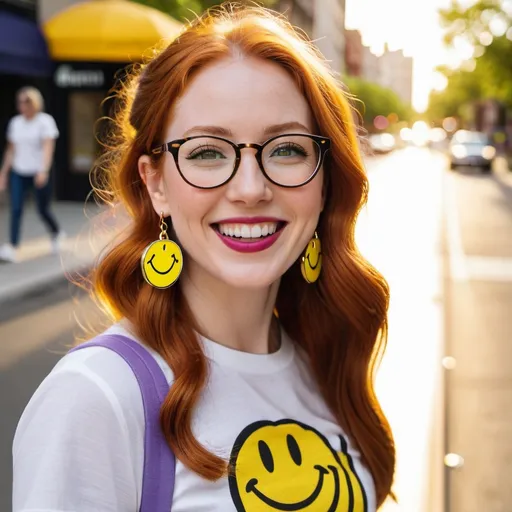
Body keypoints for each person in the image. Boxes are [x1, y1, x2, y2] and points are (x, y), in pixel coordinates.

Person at [13, 5, 396, 511]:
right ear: (156, 186)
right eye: (207, 152)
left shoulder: (327, 364)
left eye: (285, 149)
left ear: (325, 181)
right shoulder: (95, 398)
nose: (251, 189)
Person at [0, 86, 64, 263]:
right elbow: (10, 150)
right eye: (20, 102)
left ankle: (56, 233)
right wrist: (3, 173)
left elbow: (48, 148)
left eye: (26, 102)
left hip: (38, 172)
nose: (22, 105)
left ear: (35, 103)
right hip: (19, 172)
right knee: (16, 208)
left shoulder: (45, 121)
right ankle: (13, 246)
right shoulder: (15, 123)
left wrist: (43, 170)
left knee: (42, 209)